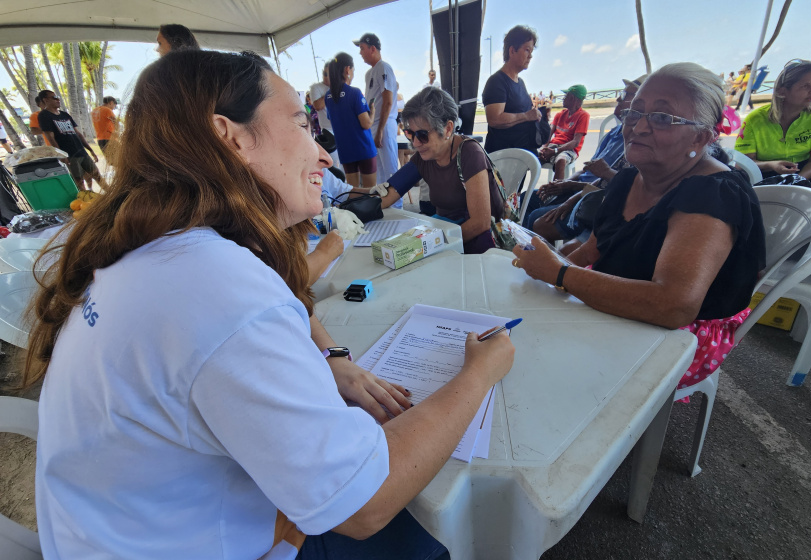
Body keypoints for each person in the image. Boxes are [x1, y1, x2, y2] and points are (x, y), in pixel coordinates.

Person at [26, 49, 514, 560]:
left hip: (113, 535)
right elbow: (364, 504)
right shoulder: (218, 287)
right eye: (304, 126)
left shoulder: (155, 252)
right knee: (426, 538)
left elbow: (271, 310)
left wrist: (332, 360)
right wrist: (478, 376)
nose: (324, 156)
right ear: (230, 136)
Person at [511, 62, 766, 394]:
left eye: (662, 118)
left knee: (546, 363)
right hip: (621, 304)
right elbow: (591, 251)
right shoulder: (629, 179)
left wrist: (559, 275)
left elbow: (673, 305)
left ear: (701, 136)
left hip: (686, 334)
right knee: (523, 331)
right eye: (634, 113)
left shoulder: (713, 193)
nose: (638, 128)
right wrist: (544, 271)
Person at [355, 87, 507, 254]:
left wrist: (433, 245)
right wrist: (344, 196)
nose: (415, 143)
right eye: (409, 133)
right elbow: (386, 195)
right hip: (445, 233)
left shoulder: (470, 154)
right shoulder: (423, 157)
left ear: (448, 129)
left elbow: (480, 223)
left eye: (422, 135)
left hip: (475, 244)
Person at [523, 76, 644, 242]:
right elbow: (588, 168)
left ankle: (536, 256)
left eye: (624, 95)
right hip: (578, 188)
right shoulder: (614, 134)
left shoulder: (636, 142)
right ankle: (522, 249)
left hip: (593, 198)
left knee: (538, 218)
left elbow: (609, 186)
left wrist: (569, 187)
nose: (617, 98)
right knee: (527, 199)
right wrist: (562, 185)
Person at [735, 59, 811, 184]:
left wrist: (797, 180)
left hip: (804, 172)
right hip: (762, 173)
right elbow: (742, 163)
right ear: (782, 91)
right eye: (805, 86)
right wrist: (771, 165)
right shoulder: (755, 119)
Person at [354, 33, 401, 201]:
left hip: (385, 124)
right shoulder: (369, 74)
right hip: (374, 125)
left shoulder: (383, 67)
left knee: (390, 171)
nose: (360, 53)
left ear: (372, 48)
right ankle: (385, 207)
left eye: (362, 48)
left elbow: (388, 101)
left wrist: (380, 130)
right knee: (380, 173)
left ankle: (397, 207)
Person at [482, 25, 541, 153]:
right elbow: (495, 119)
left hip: (522, 156)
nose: (530, 56)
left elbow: (526, 112)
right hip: (504, 158)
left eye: (531, 52)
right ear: (512, 51)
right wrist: (526, 116)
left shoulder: (521, 83)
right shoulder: (496, 82)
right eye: (527, 50)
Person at [324, 52, 378, 190]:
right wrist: (372, 113)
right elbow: (366, 123)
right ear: (347, 69)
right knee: (370, 191)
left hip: (345, 149)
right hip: (363, 147)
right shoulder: (354, 93)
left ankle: (354, 212)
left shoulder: (328, 96)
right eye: (353, 70)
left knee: (353, 191)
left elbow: (333, 119)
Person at [37, 89, 103, 190]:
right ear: (45, 100)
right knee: (79, 181)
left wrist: (90, 150)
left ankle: (113, 196)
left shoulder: (65, 114)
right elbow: (50, 137)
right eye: (54, 97)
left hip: (81, 152)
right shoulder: (44, 115)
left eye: (57, 97)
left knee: (97, 175)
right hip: (69, 155)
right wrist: (61, 155)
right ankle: (85, 202)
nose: (57, 99)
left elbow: (78, 133)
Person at [536, 84, 589, 180]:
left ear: (574, 100)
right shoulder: (560, 114)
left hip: (569, 150)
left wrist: (555, 151)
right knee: (532, 158)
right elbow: (549, 135)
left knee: (561, 160)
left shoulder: (583, 116)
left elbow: (575, 142)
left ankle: (555, 192)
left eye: (566, 96)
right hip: (553, 146)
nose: (563, 99)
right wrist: (544, 148)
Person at [309, 62, 341, 169]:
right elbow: (318, 105)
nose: (327, 77)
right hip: (328, 132)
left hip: (343, 131)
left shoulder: (341, 88)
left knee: (346, 166)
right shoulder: (316, 87)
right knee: (333, 165)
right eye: (325, 74)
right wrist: (332, 90)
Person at [91, 96, 118, 162]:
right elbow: (115, 122)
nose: (113, 109)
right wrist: (118, 133)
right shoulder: (107, 110)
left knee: (111, 161)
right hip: (110, 138)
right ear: (111, 103)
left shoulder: (94, 111)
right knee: (119, 160)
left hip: (100, 139)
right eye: (114, 106)